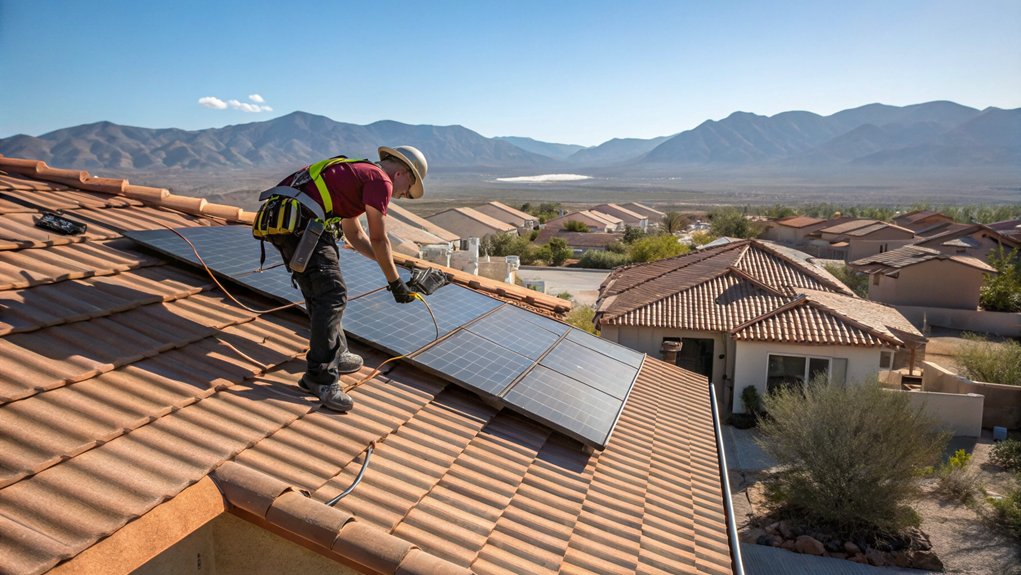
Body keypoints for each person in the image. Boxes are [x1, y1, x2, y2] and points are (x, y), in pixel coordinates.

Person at [258, 145, 428, 412]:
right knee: (332, 294)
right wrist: (396, 283)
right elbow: (379, 238)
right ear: (402, 173)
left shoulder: (359, 173)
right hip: (303, 225)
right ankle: (319, 377)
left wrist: (392, 267)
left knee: (321, 292)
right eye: (409, 188)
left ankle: (336, 352)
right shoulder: (380, 180)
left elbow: (355, 235)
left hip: (287, 222)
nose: (404, 194)